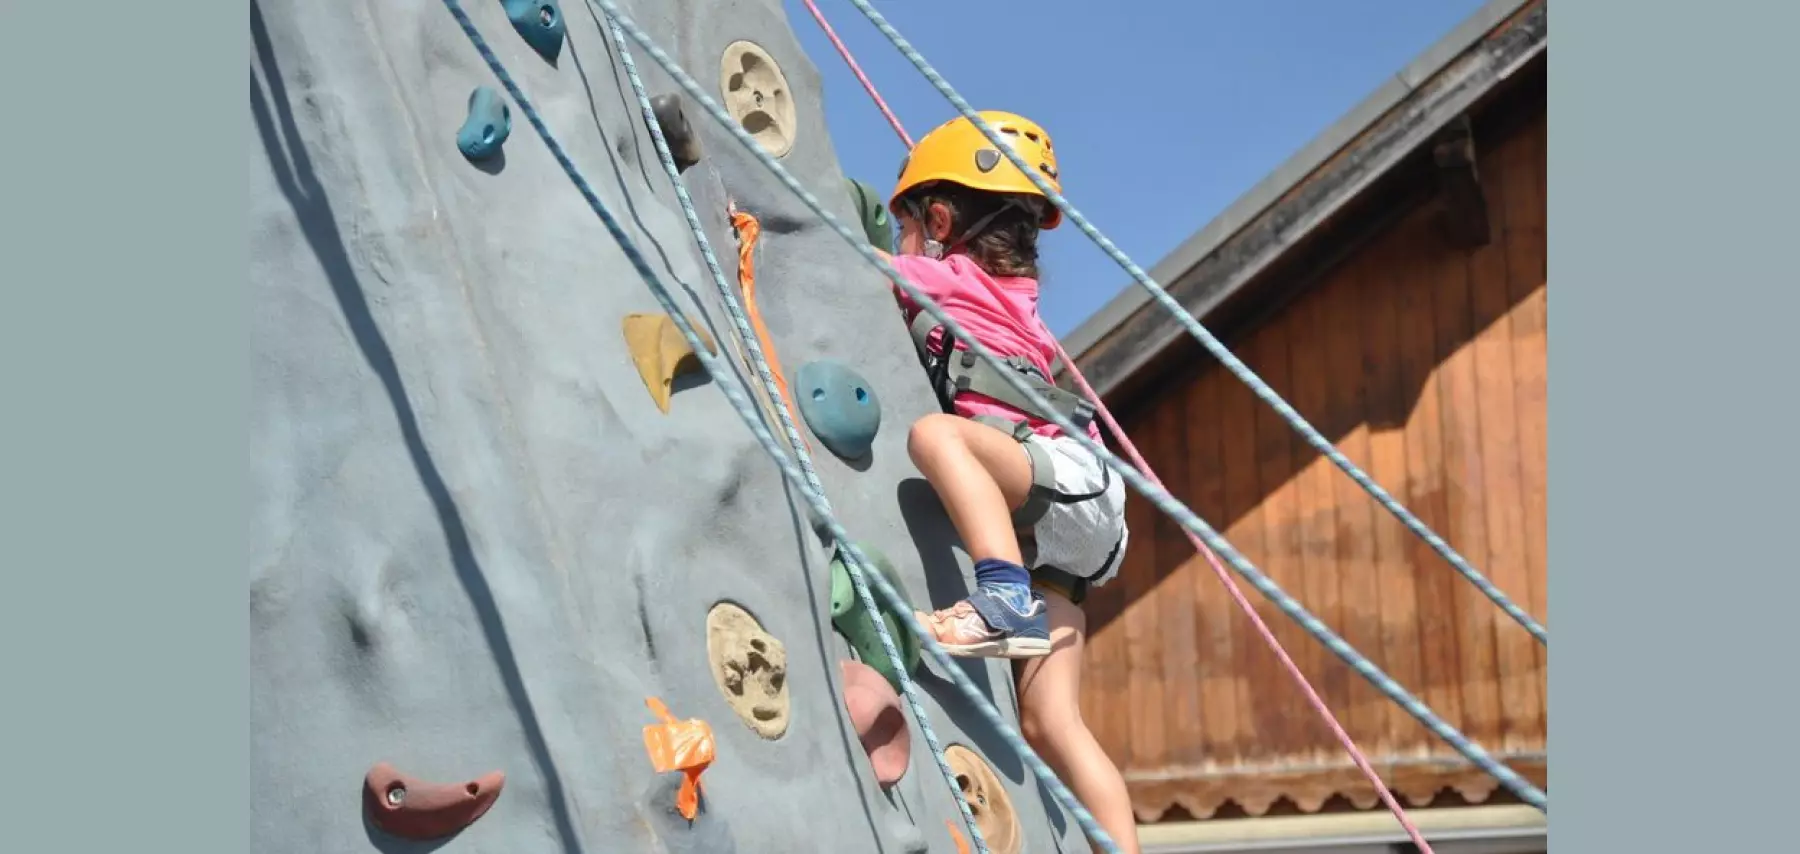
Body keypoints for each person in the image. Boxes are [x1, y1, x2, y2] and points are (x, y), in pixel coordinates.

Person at [873, 110, 1141, 854]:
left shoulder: (938, 278)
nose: (900, 242)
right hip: (1075, 521)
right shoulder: (1017, 299)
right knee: (1051, 722)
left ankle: (1002, 599)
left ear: (937, 221)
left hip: (1058, 476)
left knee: (936, 436)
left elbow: (847, 266)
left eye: (906, 226)